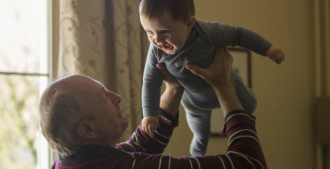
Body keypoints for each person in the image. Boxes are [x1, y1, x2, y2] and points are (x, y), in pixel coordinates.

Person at [40, 48, 267, 168]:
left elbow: (141, 145)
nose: (117, 97)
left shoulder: (72, 162)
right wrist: (223, 84)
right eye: (104, 97)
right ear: (87, 130)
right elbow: (248, 164)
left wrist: (173, 89)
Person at [139, 0, 285, 156]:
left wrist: (268, 49)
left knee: (250, 105)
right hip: (194, 101)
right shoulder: (156, 50)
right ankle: (197, 155)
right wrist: (150, 114)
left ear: (189, 23)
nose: (157, 40)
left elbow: (239, 35)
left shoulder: (207, 33)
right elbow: (150, 81)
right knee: (200, 133)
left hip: (227, 82)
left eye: (164, 32)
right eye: (149, 32)